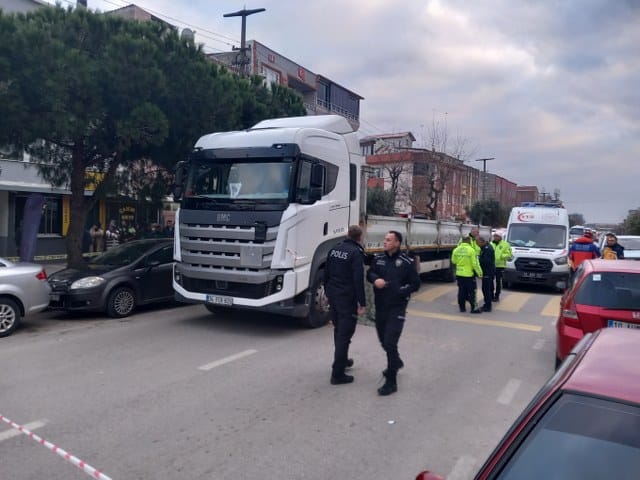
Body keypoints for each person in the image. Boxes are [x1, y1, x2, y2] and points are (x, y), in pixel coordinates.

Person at [366, 230, 421, 396]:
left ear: (397, 243)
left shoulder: (406, 262)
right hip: (381, 306)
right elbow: (370, 272)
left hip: (397, 307)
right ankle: (396, 362)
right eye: (384, 239)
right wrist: (375, 279)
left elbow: (415, 284)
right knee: (383, 341)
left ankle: (391, 382)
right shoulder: (379, 259)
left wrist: (400, 291)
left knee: (390, 342)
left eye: (389, 240)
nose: (385, 242)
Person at [324, 225, 366, 385]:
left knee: (338, 330)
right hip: (346, 298)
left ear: (348, 235)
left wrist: (327, 294)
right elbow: (358, 279)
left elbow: (327, 273)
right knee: (345, 334)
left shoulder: (335, 249)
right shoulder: (356, 253)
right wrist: (362, 302)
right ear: (359, 238)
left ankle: (342, 360)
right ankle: (338, 374)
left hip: (333, 295)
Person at [452, 236, 483, 314]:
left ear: (462, 241)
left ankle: (462, 308)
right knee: (472, 292)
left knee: (461, 291)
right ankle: (474, 308)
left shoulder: (456, 250)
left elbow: (453, 261)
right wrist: (480, 273)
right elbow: (475, 264)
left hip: (459, 274)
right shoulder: (471, 250)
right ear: (469, 241)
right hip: (469, 275)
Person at [491, 232, 512, 302]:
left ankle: (497, 295)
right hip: (491, 265)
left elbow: (509, 254)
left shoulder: (505, 244)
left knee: (498, 281)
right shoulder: (491, 243)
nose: (495, 237)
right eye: (494, 236)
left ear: (500, 237)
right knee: (490, 281)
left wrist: (501, 256)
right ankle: (491, 294)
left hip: (500, 266)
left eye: (497, 236)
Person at [477, 236, 495, 312]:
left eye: (478, 242)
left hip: (488, 271)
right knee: (488, 288)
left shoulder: (488, 249)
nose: (477, 244)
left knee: (485, 289)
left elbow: (486, 261)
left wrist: (478, 259)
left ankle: (488, 306)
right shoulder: (485, 247)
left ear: (482, 241)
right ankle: (487, 304)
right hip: (488, 271)